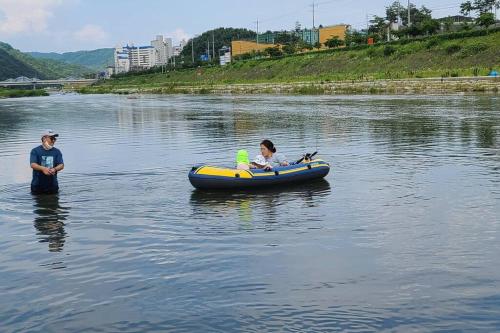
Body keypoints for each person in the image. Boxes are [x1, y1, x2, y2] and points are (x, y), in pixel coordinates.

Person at [30, 130, 64, 194]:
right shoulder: (35, 151)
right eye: (51, 138)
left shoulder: (57, 151)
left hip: (53, 186)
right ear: (44, 138)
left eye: (55, 139)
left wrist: (55, 169)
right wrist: (43, 169)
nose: (53, 141)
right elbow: (33, 164)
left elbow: (61, 165)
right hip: (37, 185)